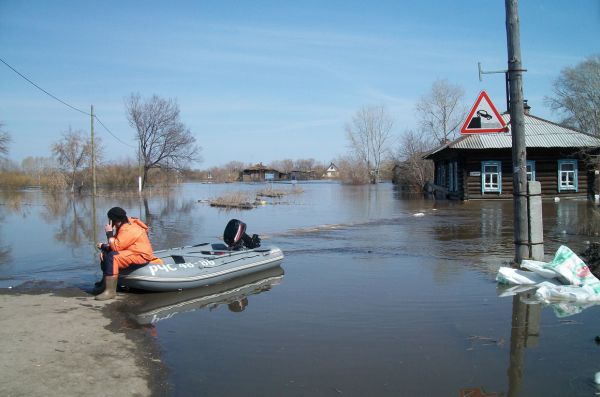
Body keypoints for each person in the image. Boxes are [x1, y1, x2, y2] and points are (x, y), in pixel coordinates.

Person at [95, 207, 162, 301]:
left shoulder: (128, 229)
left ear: (114, 220)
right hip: (131, 251)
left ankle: (110, 292)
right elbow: (117, 243)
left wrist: (109, 233)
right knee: (106, 253)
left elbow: (116, 247)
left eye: (110, 220)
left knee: (112, 257)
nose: (109, 222)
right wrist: (104, 248)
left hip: (141, 255)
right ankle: (104, 284)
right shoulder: (122, 226)